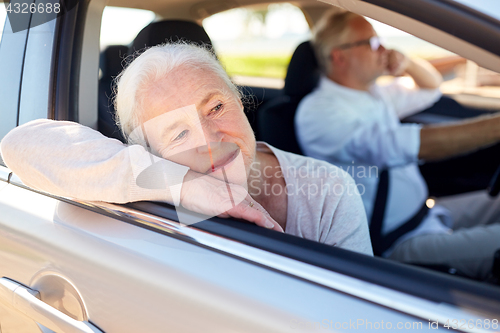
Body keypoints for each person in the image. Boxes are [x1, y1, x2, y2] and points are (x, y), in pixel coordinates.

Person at [1, 42, 372, 255]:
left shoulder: (327, 189)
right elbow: (19, 144)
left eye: (216, 107)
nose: (210, 141)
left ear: (240, 100)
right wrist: (184, 185)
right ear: (146, 151)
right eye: (178, 134)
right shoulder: (138, 182)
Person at [295, 10, 500, 279]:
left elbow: (431, 88)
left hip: (428, 211)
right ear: (339, 55)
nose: (384, 50)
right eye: (372, 43)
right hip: (398, 242)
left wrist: (407, 65)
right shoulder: (318, 112)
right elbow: (405, 146)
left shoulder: (374, 94)